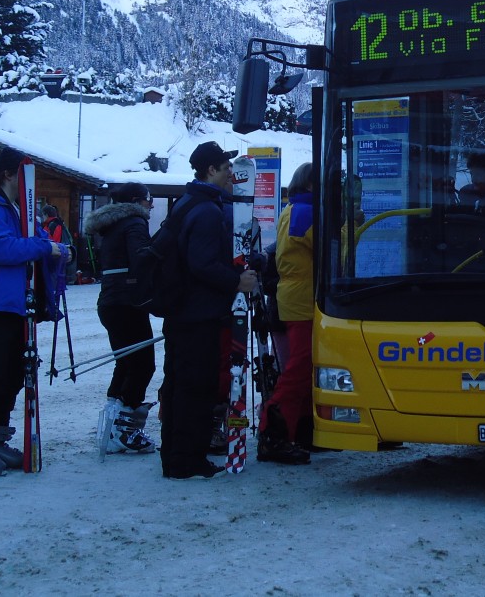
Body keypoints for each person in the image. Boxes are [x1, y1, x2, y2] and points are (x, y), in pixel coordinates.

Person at [0, 147, 71, 477]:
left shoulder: (19, 212)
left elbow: (40, 236)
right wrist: (43, 247)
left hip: (18, 305)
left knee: (12, 374)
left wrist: (58, 249)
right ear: (8, 174)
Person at [159, 141, 257, 481]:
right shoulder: (207, 211)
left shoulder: (188, 203)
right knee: (195, 389)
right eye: (225, 167)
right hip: (197, 315)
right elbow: (202, 264)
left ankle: (175, 458)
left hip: (180, 312)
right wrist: (236, 281)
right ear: (210, 171)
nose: (232, 172)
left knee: (177, 385)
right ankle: (187, 461)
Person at [83, 183, 157, 455]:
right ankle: (125, 429)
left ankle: (112, 424)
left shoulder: (112, 224)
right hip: (127, 302)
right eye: (149, 199)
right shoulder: (135, 222)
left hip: (111, 301)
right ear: (137, 201)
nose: (151, 205)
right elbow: (142, 259)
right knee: (142, 364)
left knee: (125, 363)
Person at [257, 163, 313, 465]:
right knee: (299, 369)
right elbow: (336, 248)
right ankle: (274, 435)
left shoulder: (293, 209)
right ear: (311, 184)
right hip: (303, 300)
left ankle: (300, 432)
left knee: (305, 368)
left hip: (295, 297)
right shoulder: (306, 212)